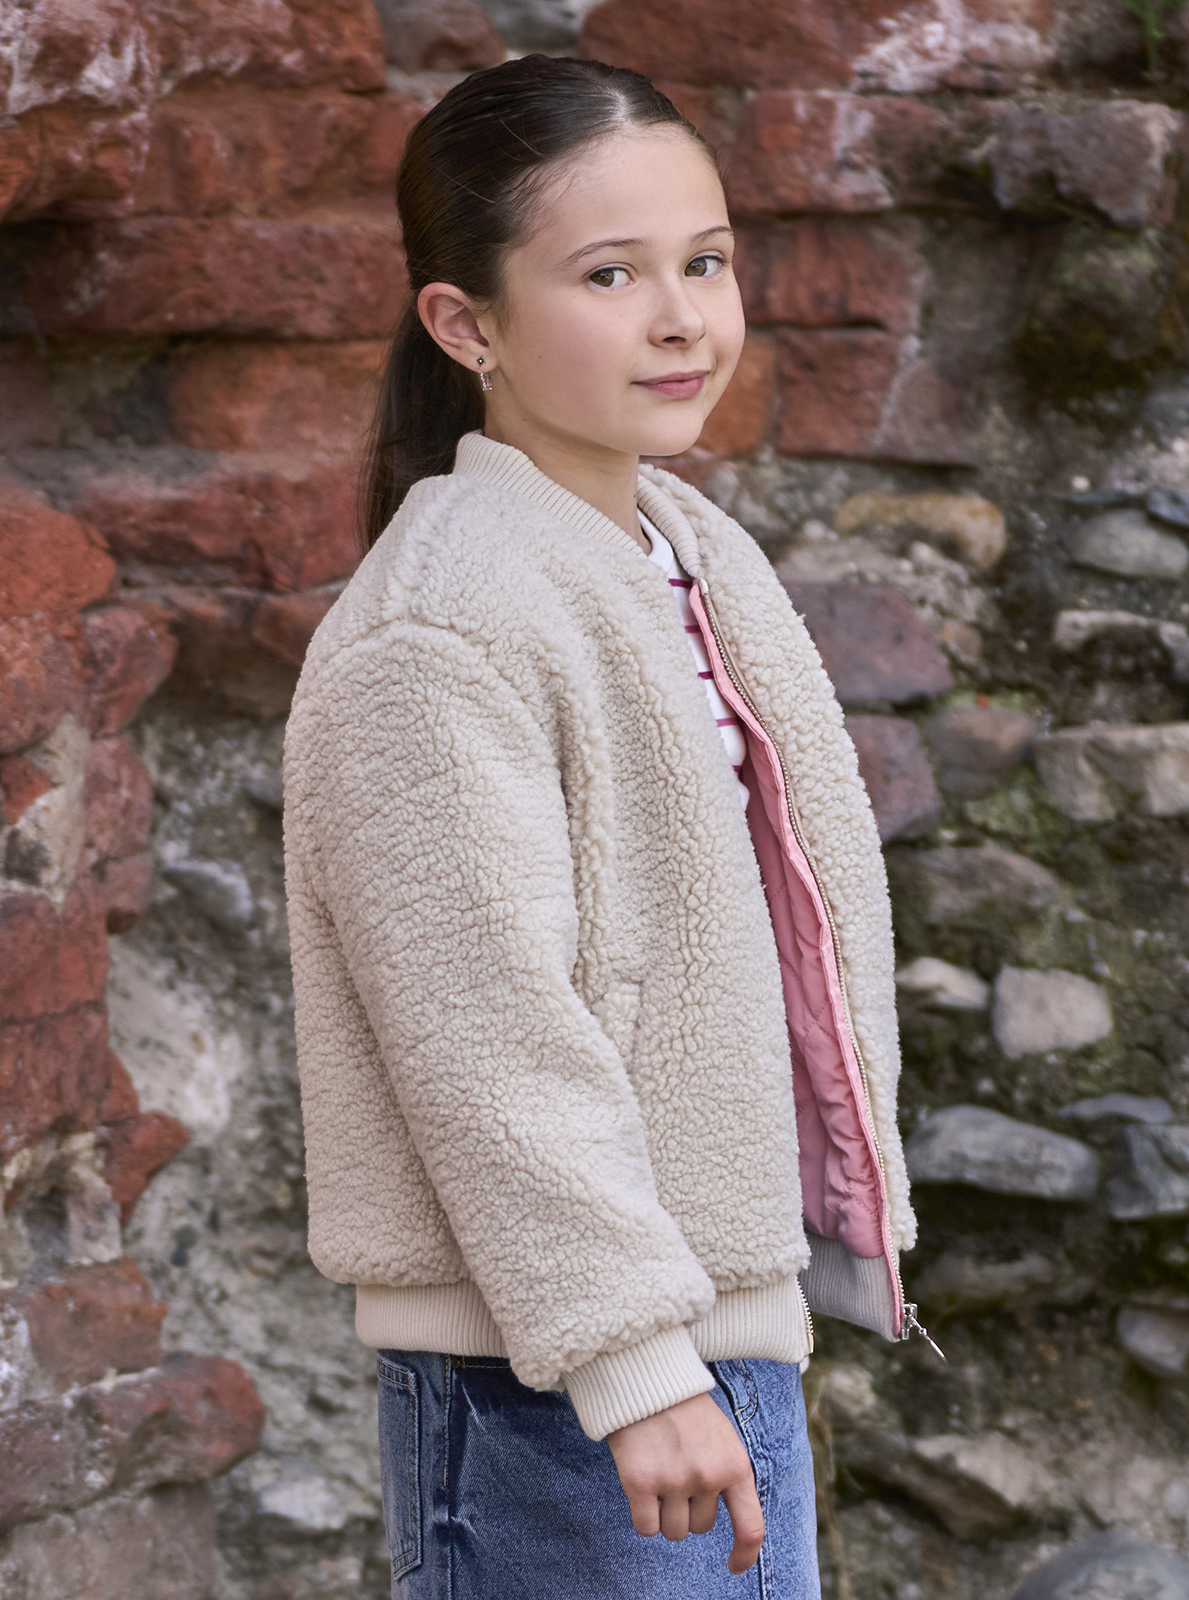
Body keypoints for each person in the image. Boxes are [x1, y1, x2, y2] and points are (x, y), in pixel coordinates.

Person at [282, 53, 923, 1600]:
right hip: (558, 1387)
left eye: (706, 261)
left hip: (708, 1339)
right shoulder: (438, 628)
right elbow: (484, 1033)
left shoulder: (687, 555)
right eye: (610, 274)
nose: (683, 317)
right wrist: (633, 1365)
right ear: (467, 325)